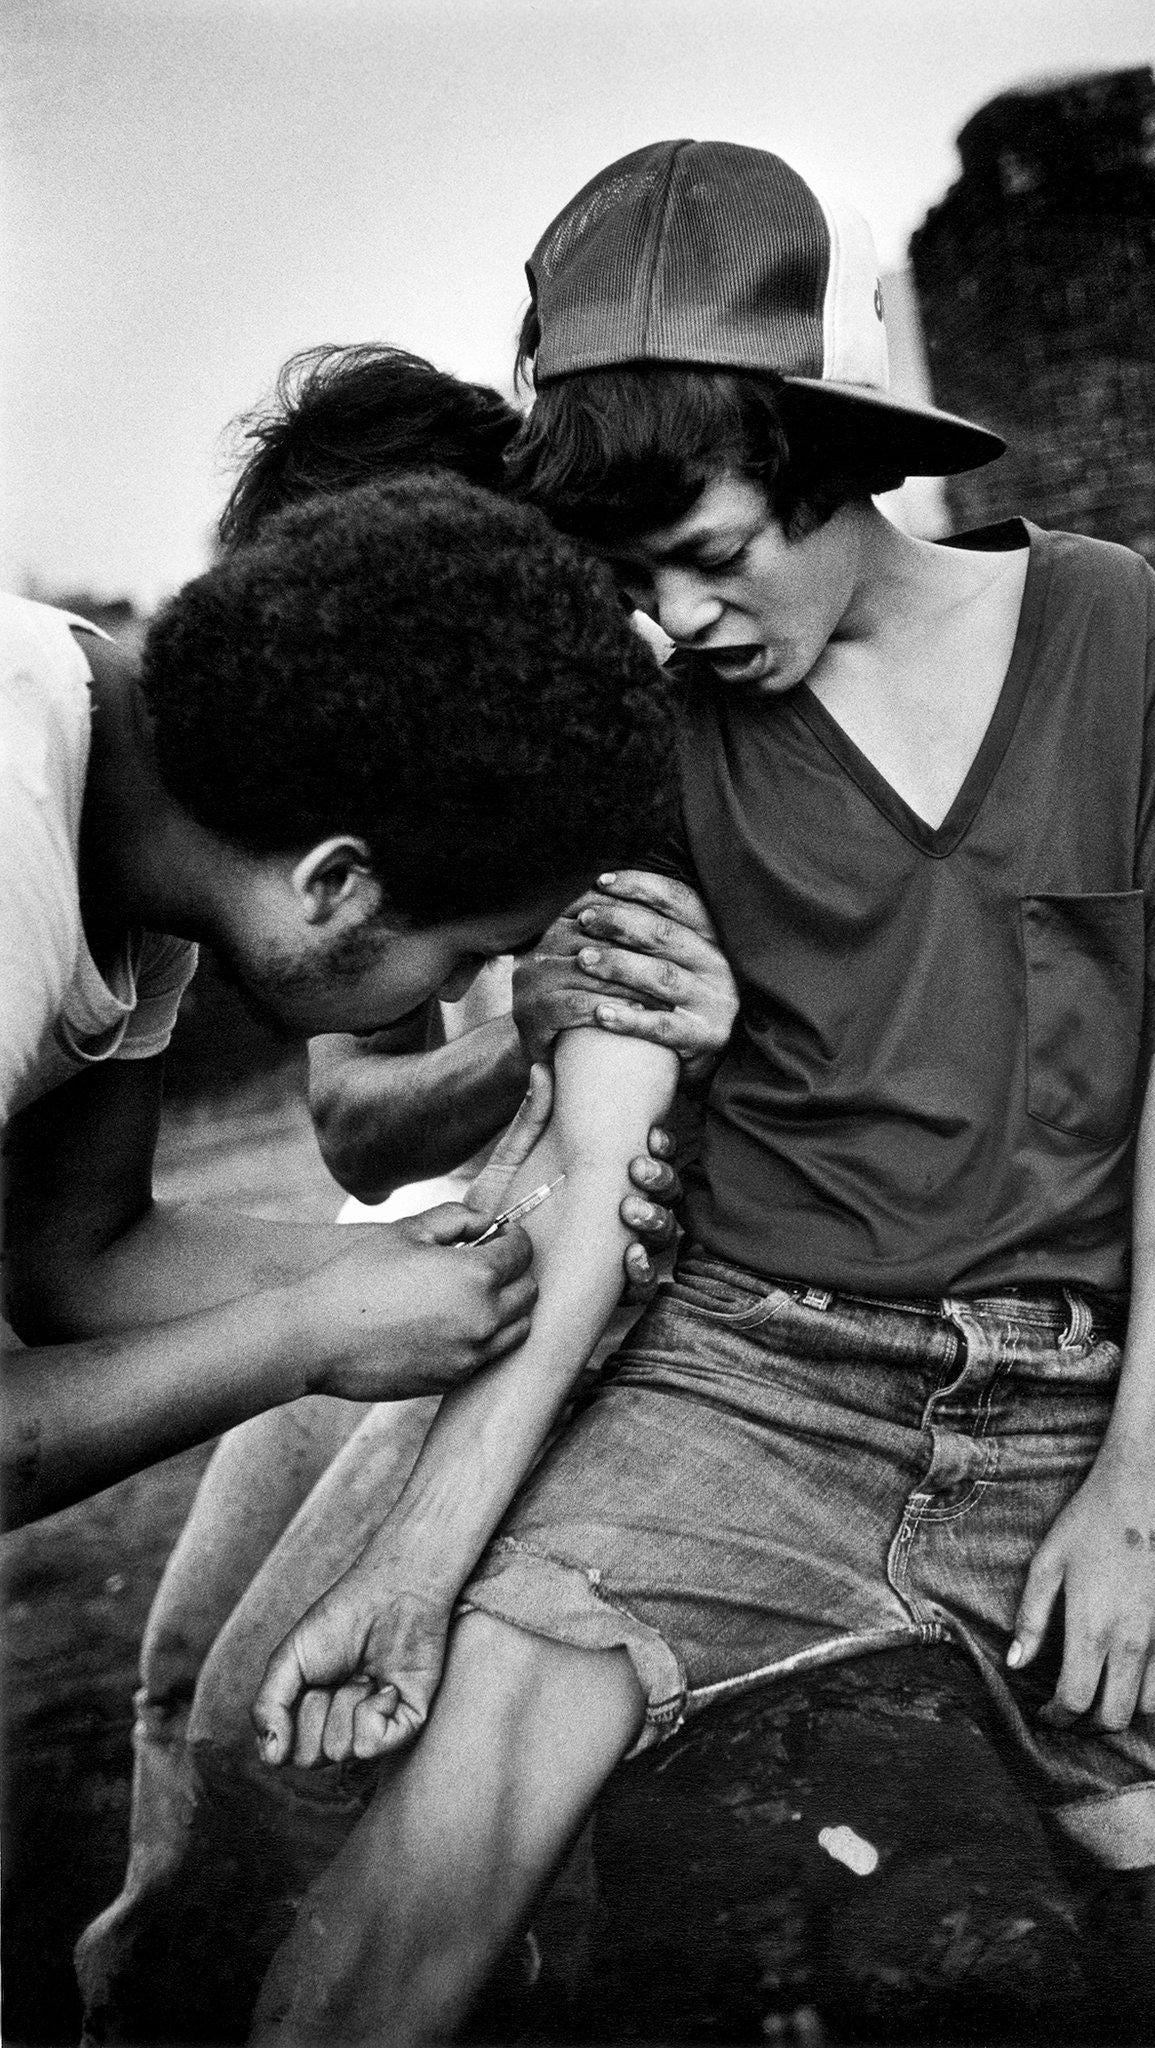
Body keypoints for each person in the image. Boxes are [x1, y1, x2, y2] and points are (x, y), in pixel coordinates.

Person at [241, 142, 1155, 2047]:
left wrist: (1152, 1473)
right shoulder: (661, 744)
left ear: (825, 459)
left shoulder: (1106, 629)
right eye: (632, 578)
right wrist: (416, 1570)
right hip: (747, 1385)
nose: (678, 618)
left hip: (1070, 1409)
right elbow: (594, 1177)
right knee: (412, 1892)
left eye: (711, 552)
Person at [74, 349, 739, 2042]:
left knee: (290, 1724)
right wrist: (514, 1035)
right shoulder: (300, 817)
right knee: (192, 1678)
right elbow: (357, 1128)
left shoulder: (548, 767)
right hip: (422, 1251)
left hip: (522, 1274)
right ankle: (151, 1982)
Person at [0, 467, 683, 1527]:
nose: (462, 987)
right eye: (470, 953)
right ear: (335, 881)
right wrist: (307, 1334)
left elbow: (81, 1266)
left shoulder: (147, 834)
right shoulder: (16, 852)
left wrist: (463, 1269)